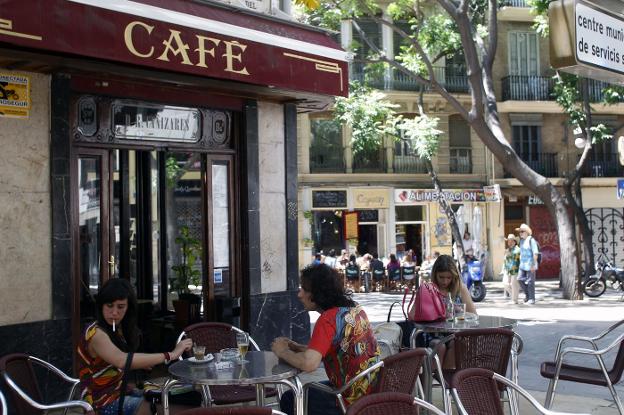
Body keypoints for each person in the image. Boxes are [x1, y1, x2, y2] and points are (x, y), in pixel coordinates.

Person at [271, 264, 380, 415]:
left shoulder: (328, 319)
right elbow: (339, 349)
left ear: (317, 293)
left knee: (290, 398)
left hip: (348, 402)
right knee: (309, 390)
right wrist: (299, 347)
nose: (299, 295)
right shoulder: (355, 309)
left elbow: (309, 364)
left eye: (304, 289)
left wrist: (281, 351)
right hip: (372, 394)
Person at [77, 278, 193, 415]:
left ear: (128, 308)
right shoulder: (95, 333)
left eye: (120, 307)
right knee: (179, 409)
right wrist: (171, 355)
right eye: (109, 305)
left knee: (178, 397)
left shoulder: (115, 328)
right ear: (101, 305)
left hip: (120, 392)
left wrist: (141, 363)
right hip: (101, 403)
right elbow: (122, 360)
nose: (114, 312)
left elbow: (115, 361)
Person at [516, 223, 539, 304]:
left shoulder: (531, 240)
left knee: (530, 282)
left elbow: (535, 253)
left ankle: (531, 298)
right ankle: (528, 295)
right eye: (519, 232)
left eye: (522, 231)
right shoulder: (521, 241)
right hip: (522, 265)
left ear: (526, 232)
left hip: (530, 264)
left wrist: (533, 264)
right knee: (519, 279)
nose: (520, 233)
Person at [502, 234, 521, 303]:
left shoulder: (518, 250)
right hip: (508, 270)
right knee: (505, 283)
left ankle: (514, 299)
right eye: (508, 241)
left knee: (514, 284)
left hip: (516, 270)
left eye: (511, 241)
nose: (509, 242)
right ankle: (514, 296)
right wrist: (503, 269)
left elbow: (521, 260)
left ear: (514, 241)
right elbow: (505, 260)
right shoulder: (507, 250)